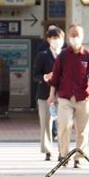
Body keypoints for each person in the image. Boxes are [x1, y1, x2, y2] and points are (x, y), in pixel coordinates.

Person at [48, 23, 89, 167]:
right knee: (64, 125)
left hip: (83, 97)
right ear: (68, 37)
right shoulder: (63, 55)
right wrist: (51, 95)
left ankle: (79, 158)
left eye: (78, 35)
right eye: (72, 35)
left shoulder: (88, 55)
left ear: (82, 37)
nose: (75, 38)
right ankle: (64, 155)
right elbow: (55, 77)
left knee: (82, 130)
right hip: (65, 97)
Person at [32, 25, 63, 162]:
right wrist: (45, 77)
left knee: (63, 123)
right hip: (45, 95)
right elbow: (35, 75)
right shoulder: (42, 55)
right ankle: (48, 150)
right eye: (54, 38)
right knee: (46, 123)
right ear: (48, 39)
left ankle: (63, 150)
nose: (56, 41)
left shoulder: (66, 55)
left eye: (59, 38)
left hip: (63, 95)